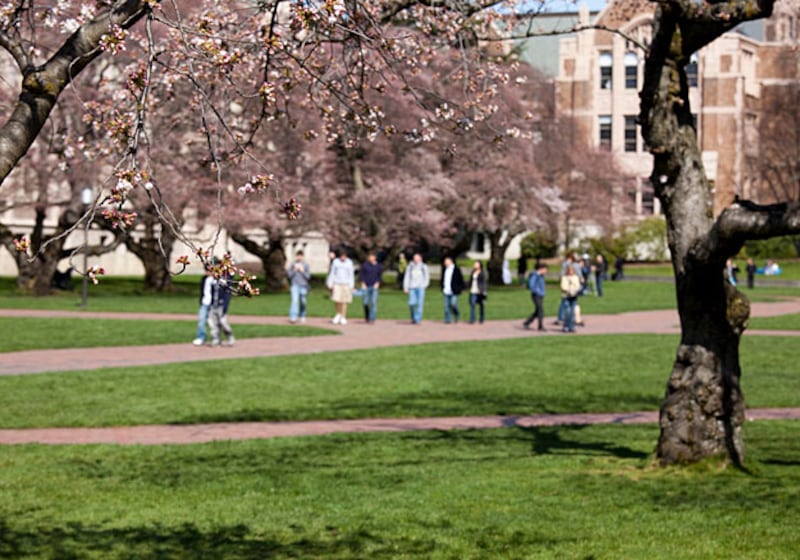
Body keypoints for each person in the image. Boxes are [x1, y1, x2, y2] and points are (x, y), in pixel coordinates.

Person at [326, 249, 355, 324]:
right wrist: (330, 283)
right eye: (342, 256)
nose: (343, 258)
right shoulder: (336, 262)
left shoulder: (349, 262)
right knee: (337, 299)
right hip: (337, 283)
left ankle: (343, 316)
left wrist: (351, 285)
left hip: (346, 283)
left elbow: (351, 274)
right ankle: (338, 314)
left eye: (344, 256)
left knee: (344, 301)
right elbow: (332, 273)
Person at [208, 271, 235, 346]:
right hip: (213, 304)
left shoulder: (226, 279)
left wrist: (225, 305)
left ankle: (229, 336)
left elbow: (227, 293)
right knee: (213, 322)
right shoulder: (213, 279)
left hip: (221, 304)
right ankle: (215, 338)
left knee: (223, 322)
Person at [403, 252, 429, 324]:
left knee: (420, 304)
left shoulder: (423, 267)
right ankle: (413, 316)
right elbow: (407, 277)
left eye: (417, 258)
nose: (416, 259)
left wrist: (424, 285)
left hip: (420, 288)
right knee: (411, 303)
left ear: (420, 258)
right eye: (414, 258)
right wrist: (406, 287)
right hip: (412, 287)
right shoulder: (410, 267)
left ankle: (418, 319)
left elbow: (426, 277)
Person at [193, 267, 215, 346]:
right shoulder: (204, 279)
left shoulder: (215, 280)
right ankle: (201, 337)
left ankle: (215, 338)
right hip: (204, 303)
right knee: (201, 320)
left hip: (213, 304)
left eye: (208, 271)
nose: (206, 272)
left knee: (213, 322)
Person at [287, 250, 311, 323]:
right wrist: (294, 270)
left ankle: (302, 315)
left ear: (302, 256)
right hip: (295, 285)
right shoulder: (293, 264)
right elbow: (289, 275)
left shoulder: (306, 265)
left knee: (303, 302)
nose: (299, 257)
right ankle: (293, 317)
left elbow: (308, 277)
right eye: (298, 256)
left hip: (303, 286)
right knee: (294, 301)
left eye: (301, 256)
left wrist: (302, 271)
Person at [523, 263, 547, 331]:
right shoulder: (535, 275)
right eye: (545, 269)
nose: (546, 271)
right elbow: (532, 285)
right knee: (540, 310)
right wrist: (538, 291)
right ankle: (540, 326)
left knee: (538, 310)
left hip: (541, 295)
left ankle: (527, 322)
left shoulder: (541, 276)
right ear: (540, 269)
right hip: (536, 295)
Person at [359, 251, 382, 323]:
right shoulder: (365, 265)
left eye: (372, 257)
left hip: (374, 286)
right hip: (366, 286)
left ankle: (372, 318)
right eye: (369, 257)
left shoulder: (378, 266)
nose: (370, 258)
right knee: (365, 302)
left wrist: (378, 283)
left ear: (375, 257)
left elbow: (379, 276)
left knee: (373, 302)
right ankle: (367, 316)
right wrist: (362, 283)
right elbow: (361, 275)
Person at [441, 256, 465, 324]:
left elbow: (461, 279)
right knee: (446, 306)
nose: (445, 263)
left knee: (453, 304)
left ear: (451, 261)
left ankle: (456, 315)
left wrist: (462, 288)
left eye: (446, 261)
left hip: (454, 290)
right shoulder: (444, 269)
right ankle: (448, 319)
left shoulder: (456, 269)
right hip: (446, 290)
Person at [560, 264, 582, 333]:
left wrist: (575, 290)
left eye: (572, 271)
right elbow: (563, 286)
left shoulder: (575, 277)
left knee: (572, 312)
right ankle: (566, 326)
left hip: (573, 296)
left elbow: (577, 286)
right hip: (566, 296)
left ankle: (571, 326)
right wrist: (569, 290)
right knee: (567, 311)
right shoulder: (564, 277)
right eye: (570, 271)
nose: (571, 272)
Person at [468, 260, 488, 324]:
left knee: (481, 305)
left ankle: (482, 318)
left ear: (479, 265)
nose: (475, 265)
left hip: (480, 291)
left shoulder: (482, 272)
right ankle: (472, 319)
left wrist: (483, 290)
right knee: (472, 304)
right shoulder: (473, 272)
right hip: (473, 290)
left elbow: (484, 282)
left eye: (476, 264)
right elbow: (470, 281)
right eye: (474, 264)